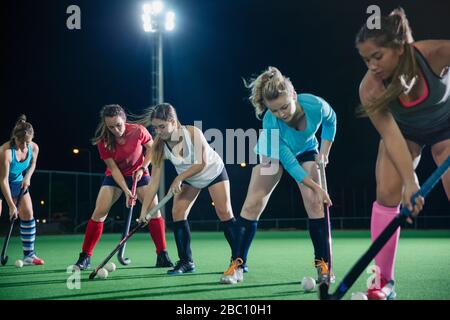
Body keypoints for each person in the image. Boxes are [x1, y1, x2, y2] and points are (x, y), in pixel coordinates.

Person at [356, 7, 449, 299]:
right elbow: (391, 136)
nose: (372, 65)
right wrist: (411, 182)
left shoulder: (435, 53)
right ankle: (382, 282)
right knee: (386, 192)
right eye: (366, 59)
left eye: (377, 56)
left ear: (399, 47)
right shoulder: (370, 88)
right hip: (405, 134)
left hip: (447, 129)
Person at [221, 66, 336, 284]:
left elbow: (331, 121)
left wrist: (324, 152)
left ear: (293, 95)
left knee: (314, 204)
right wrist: (319, 188)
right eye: (275, 110)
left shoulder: (315, 105)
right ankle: (237, 264)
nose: (281, 114)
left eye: (284, 107)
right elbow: (291, 165)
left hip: (306, 149)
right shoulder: (270, 122)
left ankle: (323, 265)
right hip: (273, 151)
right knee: (252, 204)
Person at [138, 103, 238, 276]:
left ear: (173, 121)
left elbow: (202, 163)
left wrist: (179, 178)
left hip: (213, 172)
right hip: (190, 178)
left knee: (224, 211)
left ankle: (238, 259)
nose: (158, 131)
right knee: (178, 212)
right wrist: (143, 211)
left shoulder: (192, 132)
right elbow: (153, 182)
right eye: (155, 128)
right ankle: (186, 261)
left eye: (162, 126)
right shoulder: (158, 145)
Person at [73, 104, 173, 270]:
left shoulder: (138, 130)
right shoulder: (103, 140)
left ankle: (162, 254)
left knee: (154, 210)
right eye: (111, 126)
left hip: (140, 175)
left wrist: (142, 167)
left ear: (124, 120)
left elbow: (152, 150)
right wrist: (127, 191)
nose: (115, 129)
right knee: (100, 212)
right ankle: (85, 257)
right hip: (115, 177)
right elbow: (113, 169)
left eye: (118, 125)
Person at [0, 115, 44, 265]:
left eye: (28, 142)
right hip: (2, 179)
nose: (25, 147)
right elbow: (3, 180)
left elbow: (32, 164)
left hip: (18, 179)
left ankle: (29, 255)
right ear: (15, 138)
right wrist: (12, 206)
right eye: (21, 143)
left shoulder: (34, 147)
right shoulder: (5, 152)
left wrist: (28, 177)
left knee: (28, 213)